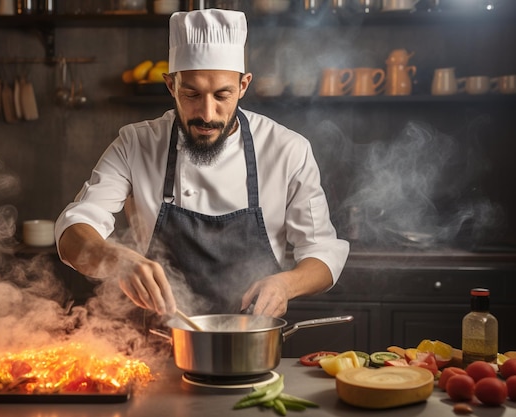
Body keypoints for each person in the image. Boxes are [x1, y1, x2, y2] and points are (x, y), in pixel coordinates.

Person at [55, 9, 349, 319]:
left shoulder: (287, 149)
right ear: (171, 85)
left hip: (251, 342)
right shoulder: (135, 144)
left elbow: (323, 252)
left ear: (244, 86)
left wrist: (286, 285)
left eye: (222, 94)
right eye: (191, 94)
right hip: (157, 342)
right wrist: (116, 259)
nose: (206, 113)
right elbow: (73, 230)